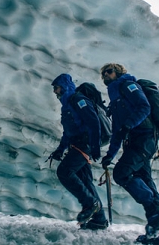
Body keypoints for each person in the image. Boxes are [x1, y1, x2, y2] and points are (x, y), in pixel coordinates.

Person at [99, 63, 159, 243]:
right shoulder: (115, 96)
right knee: (145, 181)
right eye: (103, 74)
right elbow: (117, 131)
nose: (105, 75)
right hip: (134, 141)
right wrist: (110, 154)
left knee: (122, 173)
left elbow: (144, 107)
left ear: (118, 72)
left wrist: (129, 124)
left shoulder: (128, 85)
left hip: (145, 139)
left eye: (109, 71)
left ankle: (157, 213)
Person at [49, 73, 108, 230]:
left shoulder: (78, 100)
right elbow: (68, 132)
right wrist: (60, 150)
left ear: (64, 86)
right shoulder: (68, 104)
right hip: (77, 144)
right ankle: (99, 220)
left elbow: (94, 122)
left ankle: (90, 204)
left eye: (57, 88)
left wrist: (95, 148)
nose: (55, 91)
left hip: (84, 144)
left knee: (64, 172)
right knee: (86, 181)